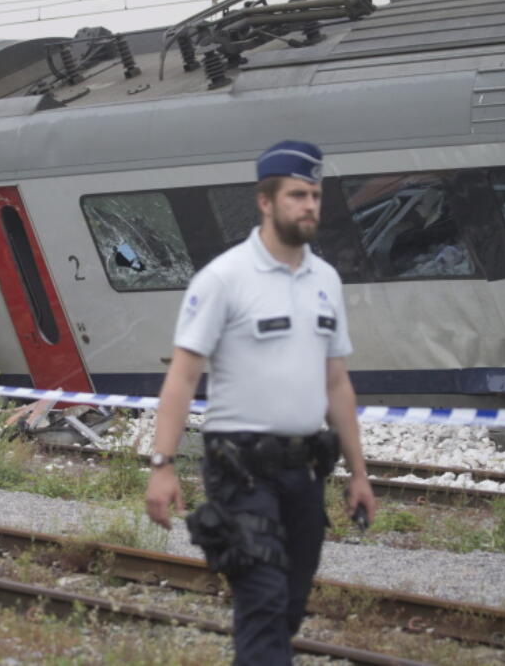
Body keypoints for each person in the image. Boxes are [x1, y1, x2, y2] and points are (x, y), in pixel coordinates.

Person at [144, 139, 376, 666]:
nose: (310, 206)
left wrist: (359, 473)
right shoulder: (225, 278)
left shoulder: (326, 280)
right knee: (264, 601)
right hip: (240, 469)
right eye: (297, 195)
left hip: (304, 471)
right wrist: (162, 464)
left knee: (290, 604)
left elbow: (336, 382)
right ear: (265, 202)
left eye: (315, 196)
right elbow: (182, 376)